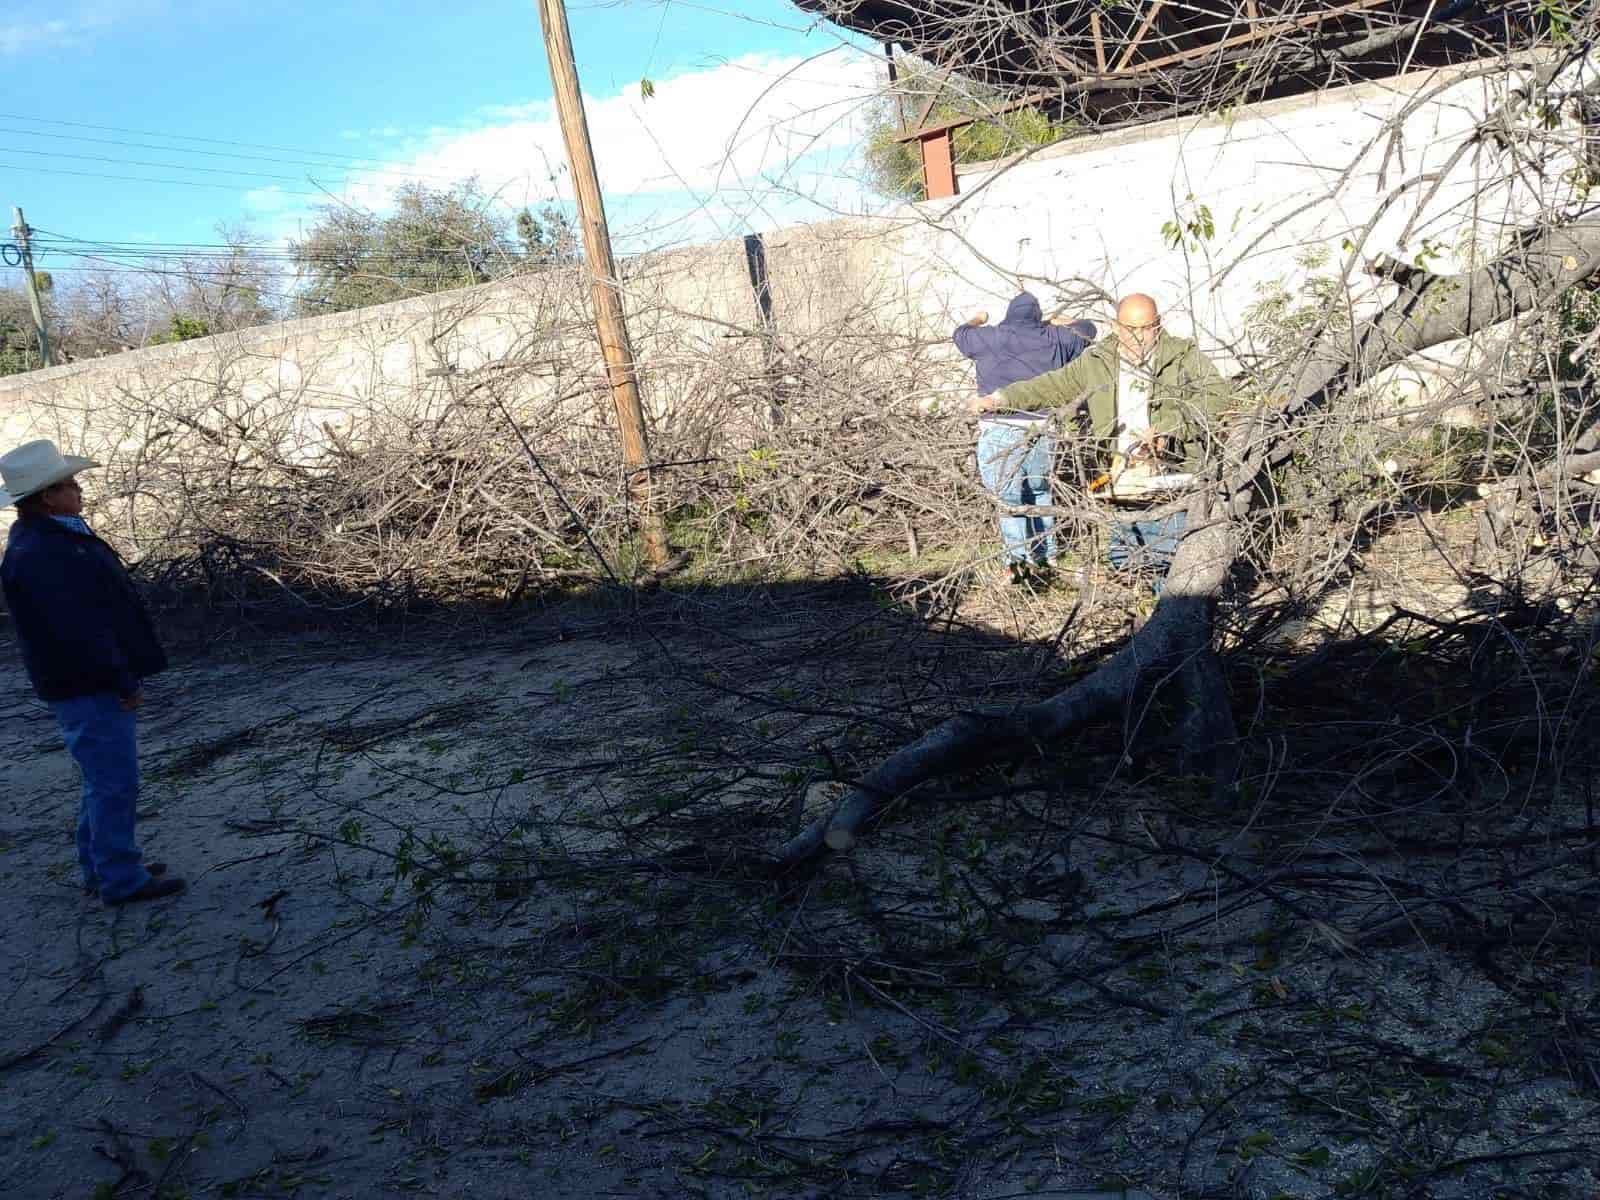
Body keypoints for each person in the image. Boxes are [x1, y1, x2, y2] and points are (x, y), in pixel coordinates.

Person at [1, 439, 186, 906]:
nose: (80, 489)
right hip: (86, 683)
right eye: (70, 484)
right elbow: (78, 629)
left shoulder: (50, 538)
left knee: (102, 777)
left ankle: (103, 866)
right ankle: (121, 879)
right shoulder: (44, 551)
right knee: (114, 781)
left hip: (81, 680)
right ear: (47, 497)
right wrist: (120, 680)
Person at [969, 293, 1230, 590]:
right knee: (1127, 559)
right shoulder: (1097, 360)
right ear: (1116, 326)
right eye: (1130, 329)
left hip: (1173, 477)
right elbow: (1052, 385)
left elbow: (1217, 397)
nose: (1139, 337)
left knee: (1167, 563)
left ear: (1158, 325)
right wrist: (999, 399)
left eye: (1146, 328)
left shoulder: (1184, 356)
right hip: (1123, 480)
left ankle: (1179, 624)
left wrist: (1167, 431)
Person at [954, 291, 1095, 585]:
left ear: (1008, 314)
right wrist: (1057, 320)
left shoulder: (989, 337)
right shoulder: (1055, 337)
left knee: (1009, 498)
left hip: (999, 426)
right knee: (1041, 491)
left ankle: (1017, 564)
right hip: (1043, 427)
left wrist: (978, 318)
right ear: (1037, 315)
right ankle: (1046, 555)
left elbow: (960, 334)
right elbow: (1088, 330)